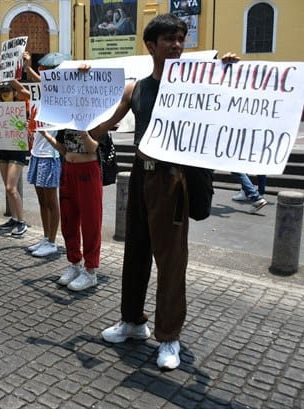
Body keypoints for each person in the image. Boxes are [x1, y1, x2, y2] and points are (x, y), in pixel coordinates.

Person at [91, 14, 233, 370]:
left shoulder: (194, 86)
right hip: (141, 175)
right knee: (134, 253)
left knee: (171, 262)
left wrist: (232, 75)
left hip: (172, 180)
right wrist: (78, 101)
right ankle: (133, 322)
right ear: (150, 46)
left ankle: (169, 337)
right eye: (169, 39)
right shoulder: (137, 88)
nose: (177, 45)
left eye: (181, 38)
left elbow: (227, 104)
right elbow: (103, 125)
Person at [39, 128, 102, 292]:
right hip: (68, 169)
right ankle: (74, 263)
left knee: (91, 221)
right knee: (69, 220)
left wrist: (84, 132)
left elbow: (92, 148)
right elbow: (63, 148)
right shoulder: (66, 120)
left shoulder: (94, 117)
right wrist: (45, 135)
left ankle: (90, 271)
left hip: (88, 170)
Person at [22, 54, 61, 257]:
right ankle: (46, 237)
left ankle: (53, 241)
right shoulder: (38, 94)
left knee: (51, 201)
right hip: (37, 153)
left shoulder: (60, 93)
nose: (46, 74)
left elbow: (46, 83)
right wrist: (12, 69)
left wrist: (29, 69)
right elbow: (20, 87)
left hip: (51, 154)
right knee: (42, 200)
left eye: (49, 70)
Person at [0, 81, 30, 236]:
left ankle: (22, 221)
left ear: (14, 92)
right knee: (7, 187)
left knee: (11, 187)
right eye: (2, 91)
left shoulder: (23, 106)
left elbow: (29, 124)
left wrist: (28, 126)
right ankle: (14, 219)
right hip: (4, 148)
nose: (4, 94)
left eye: (7, 91)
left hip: (17, 149)